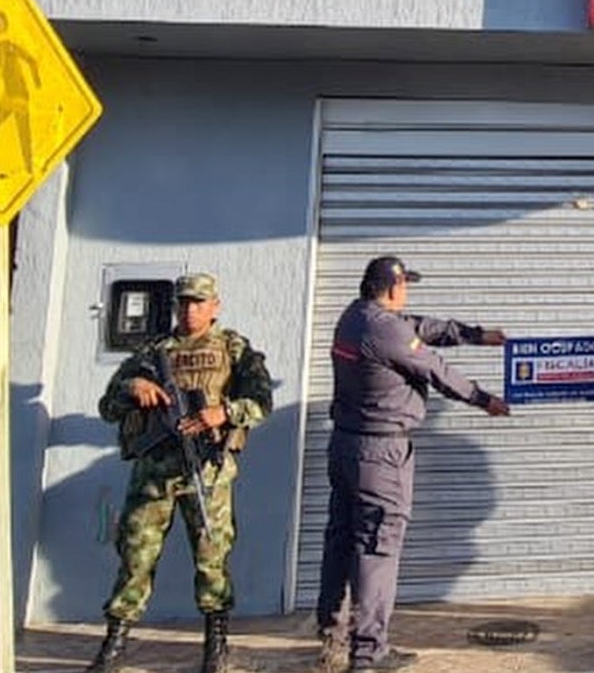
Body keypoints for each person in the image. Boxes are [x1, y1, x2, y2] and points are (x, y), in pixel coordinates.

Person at [315, 256, 511, 672]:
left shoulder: (355, 317)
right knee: (377, 548)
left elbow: (418, 326)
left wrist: (475, 335)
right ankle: (368, 653)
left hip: (346, 446)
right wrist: (484, 399)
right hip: (380, 455)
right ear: (392, 288)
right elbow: (435, 369)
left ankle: (332, 635)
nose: (406, 294)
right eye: (405, 286)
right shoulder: (384, 329)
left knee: (342, 539)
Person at [88, 273, 274, 673]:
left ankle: (216, 648)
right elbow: (108, 407)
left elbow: (261, 402)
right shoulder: (152, 351)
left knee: (212, 559)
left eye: (199, 303)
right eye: (184, 303)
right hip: (154, 475)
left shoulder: (233, 348)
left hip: (207, 473)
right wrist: (133, 388)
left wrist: (223, 412)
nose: (190, 310)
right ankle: (113, 646)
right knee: (135, 557)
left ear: (214, 306)